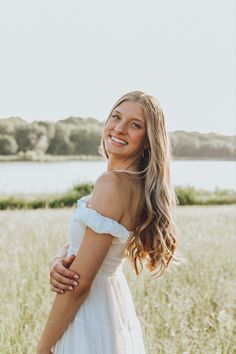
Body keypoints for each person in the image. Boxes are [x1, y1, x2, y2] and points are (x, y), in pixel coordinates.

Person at [37, 91, 178, 354]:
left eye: (135, 125)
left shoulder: (112, 184)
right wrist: (60, 258)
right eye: (116, 117)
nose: (119, 128)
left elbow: (78, 284)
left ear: (148, 141)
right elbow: (89, 248)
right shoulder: (132, 185)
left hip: (90, 312)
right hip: (112, 308)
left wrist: (42, 349)